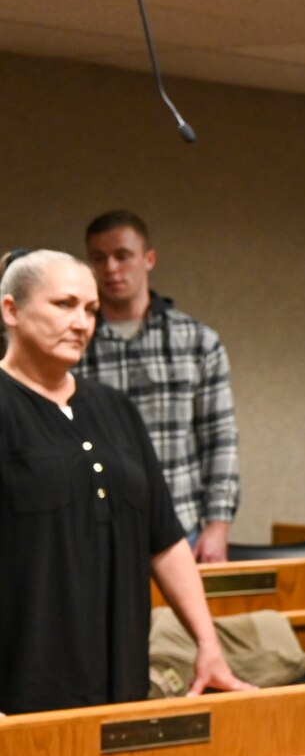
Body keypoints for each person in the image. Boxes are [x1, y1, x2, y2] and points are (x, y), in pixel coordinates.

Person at [1, 249, 249, 714]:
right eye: (64, 304)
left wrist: (207, 642)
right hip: (24, 691)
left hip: (121, 681)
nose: (82, 323)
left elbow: (165, 539)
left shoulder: (116, 410)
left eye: (91, 310)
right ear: (11, 310)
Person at [75, 210, 240, 561]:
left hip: (181, 525)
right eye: (98, 259)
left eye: (123, 255)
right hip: (98, 527)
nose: (111, 269)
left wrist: (217, 526)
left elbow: (219, 439)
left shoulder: (197, 341)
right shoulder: (73, 343)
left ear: (148, 259)